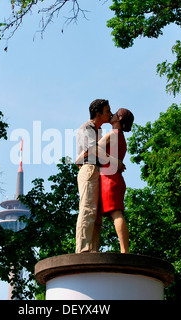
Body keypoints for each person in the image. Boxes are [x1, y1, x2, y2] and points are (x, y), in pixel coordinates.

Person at [74, 99, 125, 253]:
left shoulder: (97, 130)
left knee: (96, 215)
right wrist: (115, 161)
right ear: (98, 114)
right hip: (89, 170)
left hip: (95, 170)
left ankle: (92, 250)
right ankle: (84, 250)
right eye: (107, 111)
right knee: (88, 209)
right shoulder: (88, 127)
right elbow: (94, 149)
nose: (110, 114)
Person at [98, 108, 134, 253]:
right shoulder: (121, 138)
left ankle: (125, 251)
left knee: (116, 214)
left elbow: (93, 150)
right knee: (117, 214)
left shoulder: (112, 135)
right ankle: (124, 249)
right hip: (115, 178)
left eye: (114, 113)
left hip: (109, 179)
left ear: (119, 118)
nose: (111, 115)